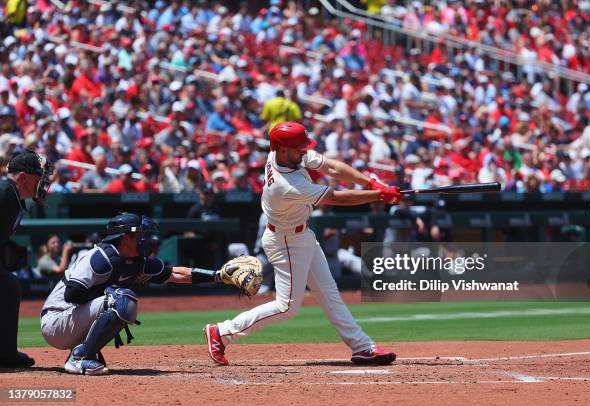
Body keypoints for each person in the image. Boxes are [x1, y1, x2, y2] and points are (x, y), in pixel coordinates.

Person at [205, 122, 400, 366]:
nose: (303, 152)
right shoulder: (286, 185)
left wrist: (372, 183)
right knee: (287, 306)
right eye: (299, 148)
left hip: (300, 235)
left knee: (329, 293)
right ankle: (223, 332)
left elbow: (331, 167)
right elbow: (336, 197)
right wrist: (379, 195)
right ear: (284, 149)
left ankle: (362, 347)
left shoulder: (284, 154)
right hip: (285, 241)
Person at [40, 212, 245, 375]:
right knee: (121, 299)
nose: (145, 239)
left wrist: (219, 275)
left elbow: (175, 273)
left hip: (73, 319)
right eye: (139, 234)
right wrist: (107, 293)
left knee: (120, 299)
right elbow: (72, 293)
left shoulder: (137, 262)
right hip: (57, 320)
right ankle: (80, 357)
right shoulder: (99, 257)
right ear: (125, 237)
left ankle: (85, 352)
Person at [0, 149, 53, 368]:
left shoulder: (12, 196)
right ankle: (5, 355)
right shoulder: (4, 193)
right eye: (39, 176)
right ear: (22, 177)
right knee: (8, 285)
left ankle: (5, 354)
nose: (43, 181)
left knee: (8, 285)